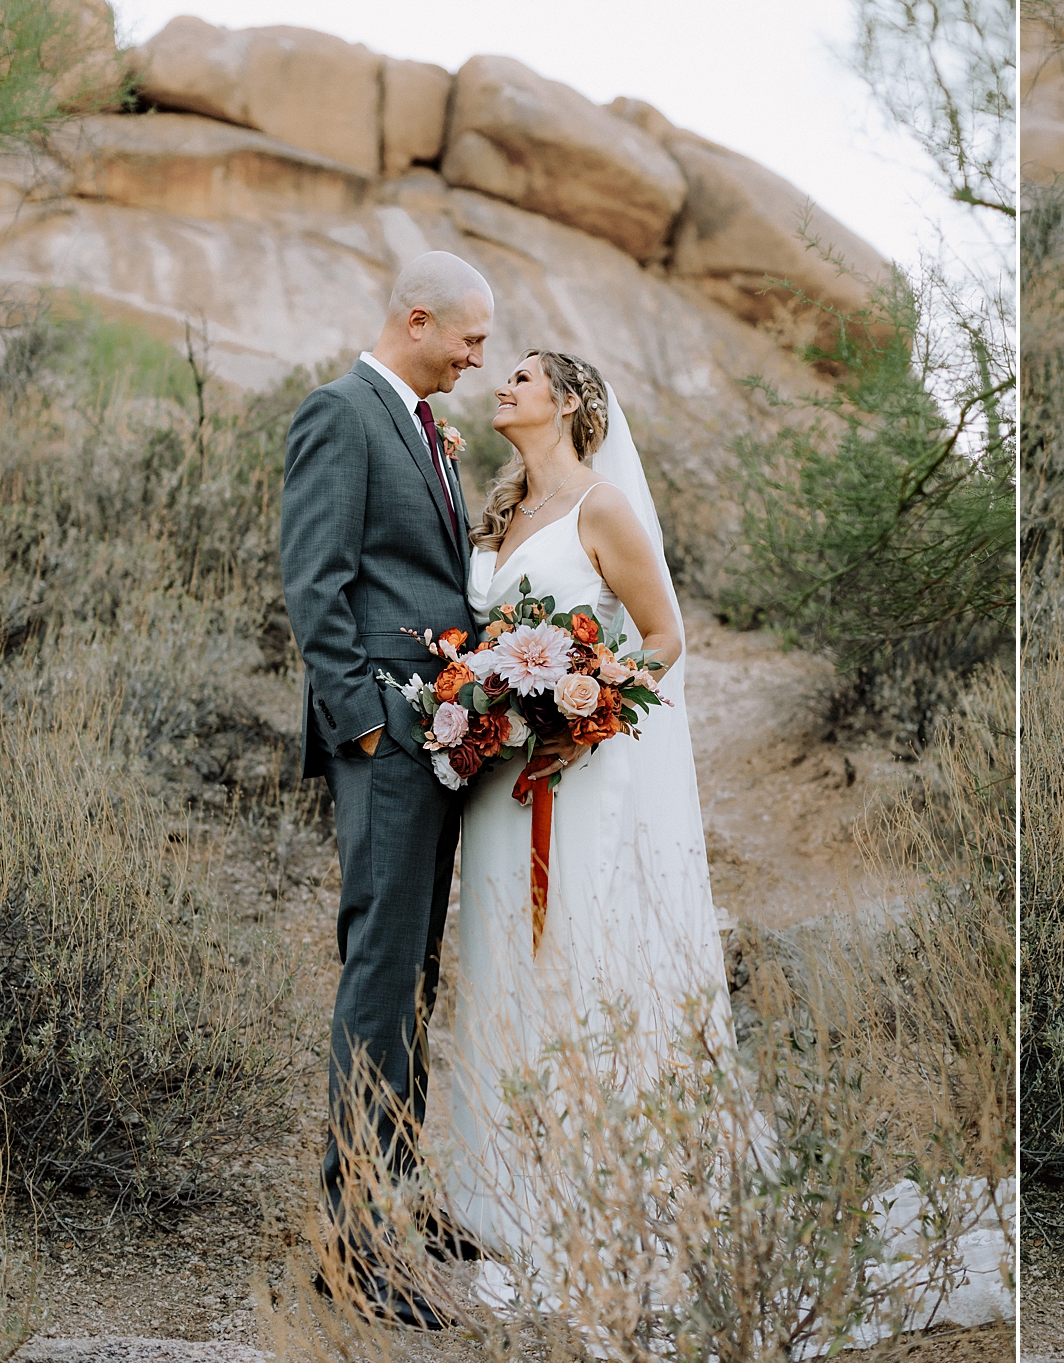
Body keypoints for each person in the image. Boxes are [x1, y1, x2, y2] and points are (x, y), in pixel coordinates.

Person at [439, 349, 737, 1297]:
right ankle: (499, 1196)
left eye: (524, 377)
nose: (505, 386)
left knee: (575, 953)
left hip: (576, 773)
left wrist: (590, 713)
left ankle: (593, 1191)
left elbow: (662, 637)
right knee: (498, 958)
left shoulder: (602, 507)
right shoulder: (495, 513)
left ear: (567, 403)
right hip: (497, 781)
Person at [279, 250, 494, 1329]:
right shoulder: (341, 413)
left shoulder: (423, 430)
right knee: (378, 977)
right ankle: (351, 1244)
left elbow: (431, 585)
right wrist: (363, 723)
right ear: (418, 319)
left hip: (440, 743)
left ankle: (397, 1194)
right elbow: (314, 581)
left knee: (413, 974)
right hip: (386, 747)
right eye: (471, 338)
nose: (477, 358)